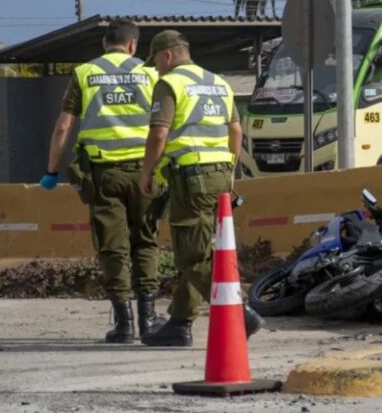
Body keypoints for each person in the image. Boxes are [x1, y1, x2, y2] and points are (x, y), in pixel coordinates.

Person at [39, 18, 166, 344]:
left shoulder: (85, 74)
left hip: (103, 174)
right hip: (145, 172)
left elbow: (63, 127)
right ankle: (149, 320)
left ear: (104, 44)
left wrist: (52, 171)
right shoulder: (150, 74)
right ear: (133, 45)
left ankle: (124, 325)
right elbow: (165, 126)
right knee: (146, 241)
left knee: (112, 247)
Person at [137, 30, 264, 347]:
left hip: (191, 177)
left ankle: (240, 312)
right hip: (221, 174)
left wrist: (147, 172)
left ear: (167, 55)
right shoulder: (218, 82)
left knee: (192, 257)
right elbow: (236, 131)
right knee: (206, 251)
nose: (156, 69)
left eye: (156, 62)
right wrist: (231, 169)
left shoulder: (170, 84)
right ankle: (180, 323)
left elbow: (158, 135)